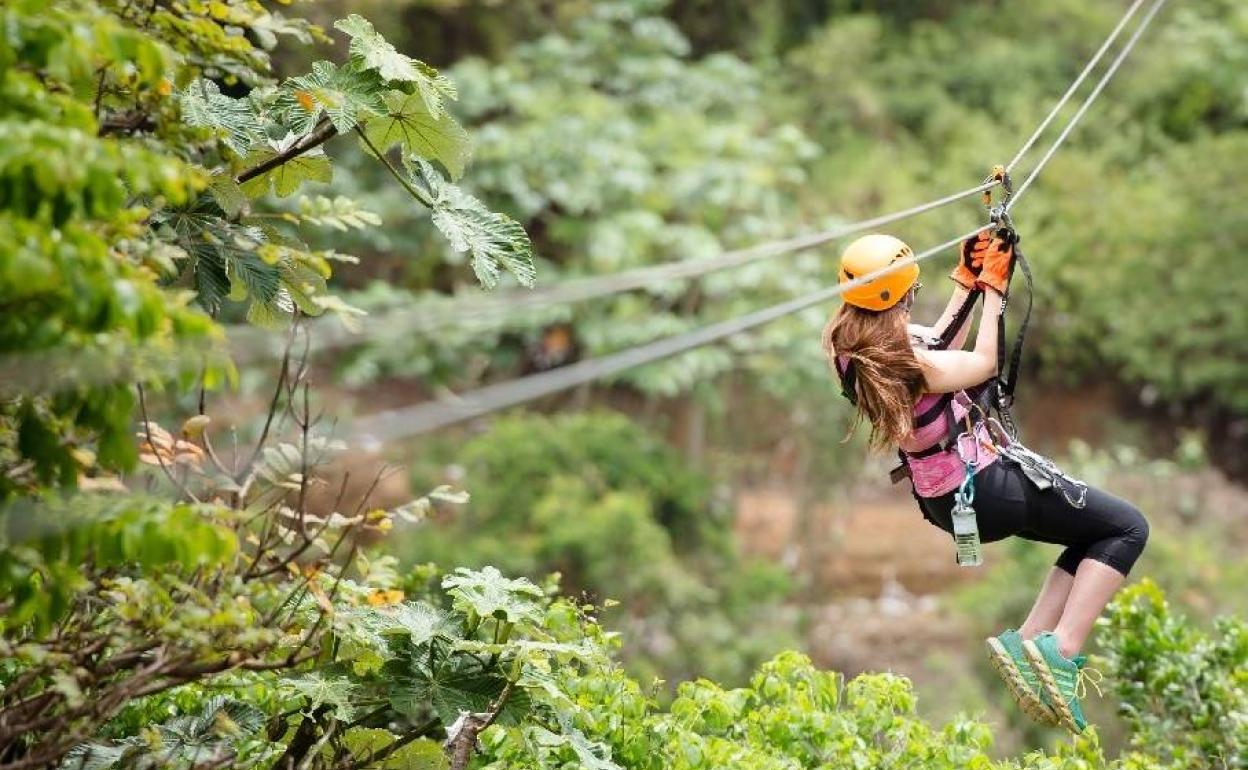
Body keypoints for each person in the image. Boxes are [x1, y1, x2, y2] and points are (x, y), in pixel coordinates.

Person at [821, 231, 1149, 733]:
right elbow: (978, 365)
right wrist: (995, 290)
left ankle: (1030, 640)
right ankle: (1061, 648)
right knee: (1127, 528)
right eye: (911, 291)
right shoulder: (906, 359)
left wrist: (968, 279)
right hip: (983, 487)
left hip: (942, 497)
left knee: (1091, 535)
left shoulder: (851, 348)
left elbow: (935, 349)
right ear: (901, 295)